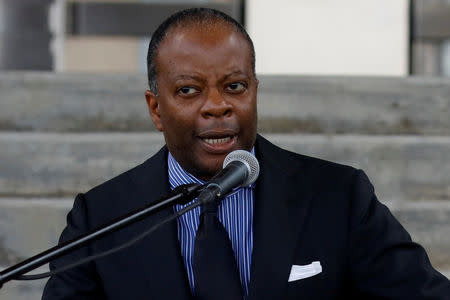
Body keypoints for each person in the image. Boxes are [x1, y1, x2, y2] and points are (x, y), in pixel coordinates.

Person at [42, 8, 450, 300]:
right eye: (189, 90)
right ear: (155, 109)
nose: (217, 105)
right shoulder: (103, 218)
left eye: (235, 86)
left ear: (254, 92)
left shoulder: (339, 197)